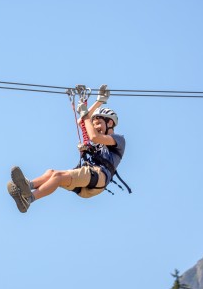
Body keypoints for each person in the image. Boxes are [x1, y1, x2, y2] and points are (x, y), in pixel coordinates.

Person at [7, 85, 126, 213]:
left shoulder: (118, 140)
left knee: (58, 176)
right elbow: (82, 122)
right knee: (51, 172)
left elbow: (93, 136)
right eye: (94, 124)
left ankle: (28, 200)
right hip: (89, 181)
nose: (96, 126)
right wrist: (99, 102)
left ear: (110, 123)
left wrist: (85, 113)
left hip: (97, 177)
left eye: (99, 123)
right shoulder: (99, 144)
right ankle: (27, 186)